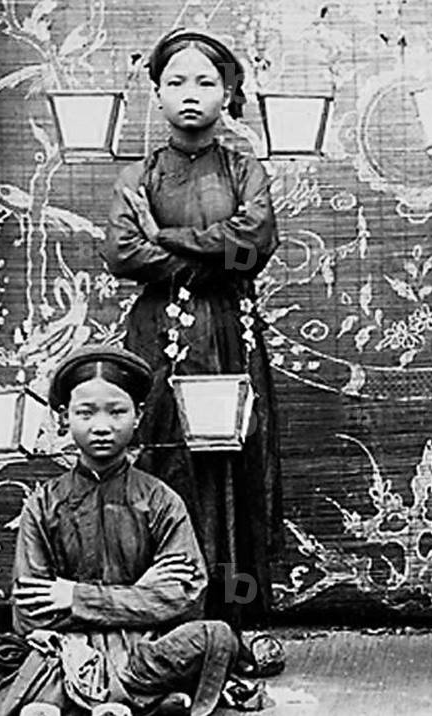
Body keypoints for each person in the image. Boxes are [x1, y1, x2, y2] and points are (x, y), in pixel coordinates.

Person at [102, 29, 283, 660]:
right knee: (165, 457)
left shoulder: (244, 170)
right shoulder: (139, 174)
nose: (190, 94)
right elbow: (123, 253)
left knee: (234, 461)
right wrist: (207, 252)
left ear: (227, 94)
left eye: (205, 82)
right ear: (156, 93)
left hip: (229, 330)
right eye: (176, 81)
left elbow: (252, 244)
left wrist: (167, 238)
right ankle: (164, 621)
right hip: (162, 336)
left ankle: (237, 623)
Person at [0, 345, 245, 716]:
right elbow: (31, 613)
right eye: (85, 412)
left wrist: (76, 597)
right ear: (63, 418)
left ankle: (59, 702)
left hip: (144, 651)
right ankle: (143, 703)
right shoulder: (44, 503)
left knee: (216, 636)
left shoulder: (161, 500)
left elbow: (185, 597)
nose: (102, 426)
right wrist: (142, 594)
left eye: (117, 411)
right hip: (62, 650)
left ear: (138, 416)